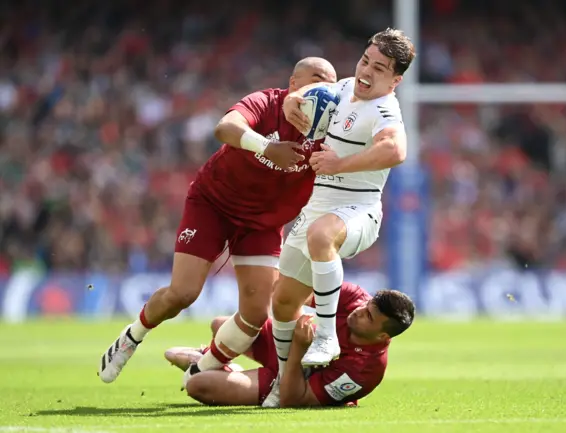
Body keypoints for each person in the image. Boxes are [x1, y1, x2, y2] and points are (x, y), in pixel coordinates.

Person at [98, 57, 337, 384]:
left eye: (330, 84)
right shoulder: (267, 102)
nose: (324, 89)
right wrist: (268, 147)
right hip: (214, 204)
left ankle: (200, 369)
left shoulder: (332, 130)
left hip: (262, 224)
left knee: (254, 315)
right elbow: (224, 128)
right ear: (293, 85)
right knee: (183, 294)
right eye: (316, 79)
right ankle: (132, 336)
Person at [262, 29, 416, 406]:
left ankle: (327, 335)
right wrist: (292, 102)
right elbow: (307, 94)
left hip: (359, 207)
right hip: (318, 203)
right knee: (282, 302)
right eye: (365, 60)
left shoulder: (385, 110)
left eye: (379, 69)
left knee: (321, 235)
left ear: (395, 81)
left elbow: (395, 151)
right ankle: (284, 380)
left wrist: (339, 164)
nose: (366, 71)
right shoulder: (348, 85)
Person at [165, 283, 415, 407]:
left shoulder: (366, 370)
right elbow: (294, 293)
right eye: (366, 306)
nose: (360, 311)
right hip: (287, 345)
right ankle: (215, 363)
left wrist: (298, 347)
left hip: (288, 382)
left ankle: (223, 370)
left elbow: (295, 398)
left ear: (383, 336)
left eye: (369, 317)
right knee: (222, 325)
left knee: (198, 385)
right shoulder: (355, 298)